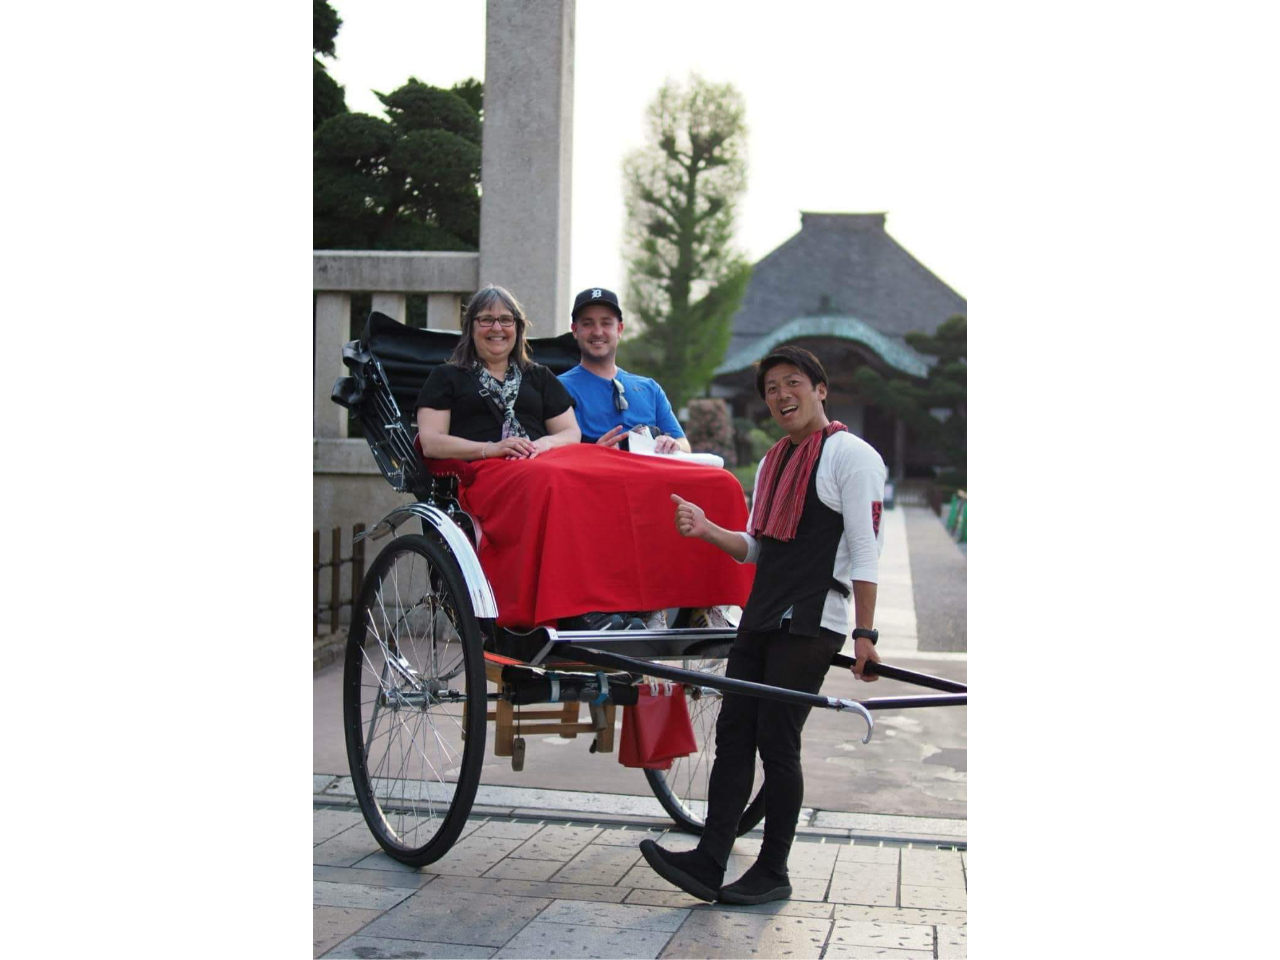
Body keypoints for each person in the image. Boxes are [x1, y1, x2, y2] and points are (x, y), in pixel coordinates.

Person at [638, 345, 887, 905]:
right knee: (733, 736)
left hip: (812, 619)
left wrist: (865, 636)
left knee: (777, 742)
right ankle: (710, 859)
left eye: (793, 382)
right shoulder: (775, 460)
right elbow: (756, 547)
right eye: (771, 388)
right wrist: (707, 528)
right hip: (762, 613)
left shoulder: (851, 456)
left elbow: (866, 551)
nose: (781, 395)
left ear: (821, 389)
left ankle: (773, 870)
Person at [415, 285, 581, 460]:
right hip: (480, 468)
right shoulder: (446, 377)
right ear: (471, 328)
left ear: (518, 328)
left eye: (506, 319)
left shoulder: (540, 376)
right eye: (486, 319)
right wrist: (492, 449)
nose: (496, 328)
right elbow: (431, 443)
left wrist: (542, 444)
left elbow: (570, 432)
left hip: (539, 462)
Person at [558, 287, 691, 453]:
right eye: (587, 323)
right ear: (575, 330)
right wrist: (594, 454)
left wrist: (672, 444)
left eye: (606, 323)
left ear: (619, 329)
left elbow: (684, 444)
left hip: (649, 468)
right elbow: (550, 452)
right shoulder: (557, 388)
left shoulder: (651, 389)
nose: (597, 332)